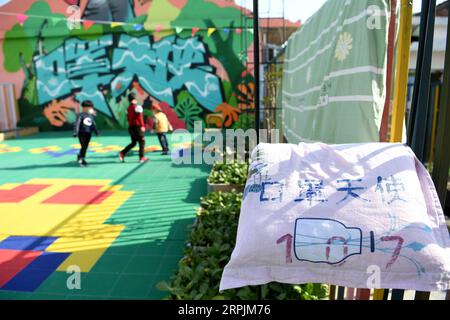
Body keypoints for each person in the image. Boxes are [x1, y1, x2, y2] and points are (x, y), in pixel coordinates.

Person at [119, 93, 149, 163]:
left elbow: (128, 119)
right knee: (142, 141)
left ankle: (122, 153)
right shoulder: (138, 107)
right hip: (137, 127)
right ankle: (142, 157)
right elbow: (140, 117)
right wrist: (142, 126)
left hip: (131, 128)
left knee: (134, 143)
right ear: (135, 99)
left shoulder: (128, 108)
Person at [73, 100, 99, 167]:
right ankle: (81, 159)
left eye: (91, 107)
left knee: (85, 147)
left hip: (88, 133)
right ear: (84, 107)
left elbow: (93, 124)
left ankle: (80, 156)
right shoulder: (80, 115)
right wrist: (76, 132)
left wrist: (96, 131)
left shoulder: (90, 115)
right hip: (82, 133)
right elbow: (77, 124)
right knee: (83, 146)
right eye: (90, 107)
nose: (91, 109)